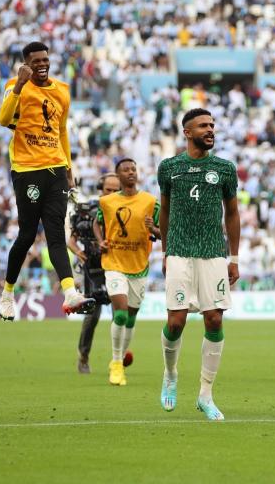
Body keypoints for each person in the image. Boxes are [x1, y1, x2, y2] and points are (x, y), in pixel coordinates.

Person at [0, 41, 93, 320]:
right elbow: (4, 120)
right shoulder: (16, 84)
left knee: (55, 234)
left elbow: (63, 132)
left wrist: (69, 169)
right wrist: (18, 87)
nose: (42, 64)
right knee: (27, 235)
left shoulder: (62, 90)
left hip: (56, 169)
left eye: (45, 60)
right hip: (27, 169)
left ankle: (70, 292)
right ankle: (7, 293)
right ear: (26, 63)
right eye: (35, 61)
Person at [157, 108, 240, 421]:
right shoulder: (169, 168)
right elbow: (164, 211)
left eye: (212, 125)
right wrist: (165, 252)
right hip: (179, 250)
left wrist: (234, 257)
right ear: (187, 132)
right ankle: (170, 373)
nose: (210, 130)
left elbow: (232, 214)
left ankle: (206, 394)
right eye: (203, 126)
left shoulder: (224, 168)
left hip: (213, 253)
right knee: (176, 321)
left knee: (214, 320)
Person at [94, 157, 160, 387]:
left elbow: (165, 231)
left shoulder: (150, 201)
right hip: (113, 263)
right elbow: (97, 222)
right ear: (118, 176)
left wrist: (155, 229)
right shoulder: (108, 201)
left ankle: (121, 357)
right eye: (125, 169)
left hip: (139, 266)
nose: (131, 172)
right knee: (120, 313)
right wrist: (101, 241)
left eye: (134, 168)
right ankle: (116, 363)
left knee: (130, 318)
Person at [72, 173, 120, 374]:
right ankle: (83, 356)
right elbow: (71, 239)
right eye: (108, 190)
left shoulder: (126, 208)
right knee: (92, 314)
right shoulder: (88, 210)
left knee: (120, 313)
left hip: (118, 266)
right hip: (94, 268)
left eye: (115, 190)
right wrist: (78, 252)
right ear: (101, 189)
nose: (111, 193)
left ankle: (118, 359)